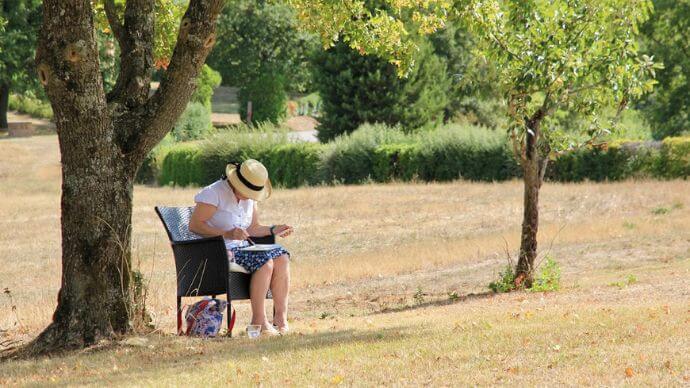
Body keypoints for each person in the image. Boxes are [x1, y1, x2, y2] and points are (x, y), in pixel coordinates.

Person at [189, 159, 293, 335]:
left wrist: (274, 229)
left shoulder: (249, 200)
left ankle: (280, 319)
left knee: (282, 257)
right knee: (266, 262)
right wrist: (228, 234)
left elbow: (252, 228)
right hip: (218, 252)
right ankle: (258, 321)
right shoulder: (213, 193)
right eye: (247, 191)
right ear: (235, 182)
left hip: (242, 250)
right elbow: (195, 226)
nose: (250, 196)